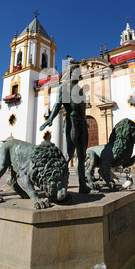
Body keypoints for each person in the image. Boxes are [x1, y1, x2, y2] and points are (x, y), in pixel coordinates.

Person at [40, 58, 91, 193]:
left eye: (79, 72)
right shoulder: (64, 87)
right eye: (76, 71)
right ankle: (61, 185)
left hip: (81, 124)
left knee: (82, 155)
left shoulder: (80, 90)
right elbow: (58, 105)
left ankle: (82, 185)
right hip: (72, 121)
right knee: (68, 155)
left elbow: (83, 109)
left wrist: (85, 122)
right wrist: (50, 119)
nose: (78, 74)